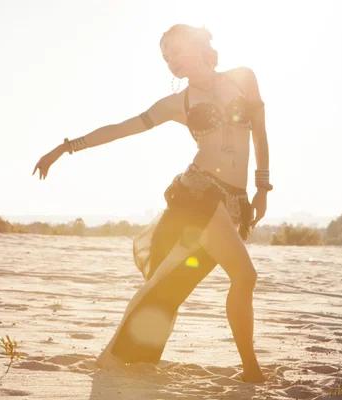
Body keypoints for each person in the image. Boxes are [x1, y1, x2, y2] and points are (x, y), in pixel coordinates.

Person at [32, 24, 272, 383]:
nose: (171, 60)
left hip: (235, 201)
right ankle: (252, 371)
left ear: (197, 43)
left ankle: (121, 353)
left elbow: (260, 131)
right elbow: (122, 128)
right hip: (199, 193)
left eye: (175, 50)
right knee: (245, 275)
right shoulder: (178, 103)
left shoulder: (243, 78)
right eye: (165, 57)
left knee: (173, 282)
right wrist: (66, 147)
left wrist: (262, 188)